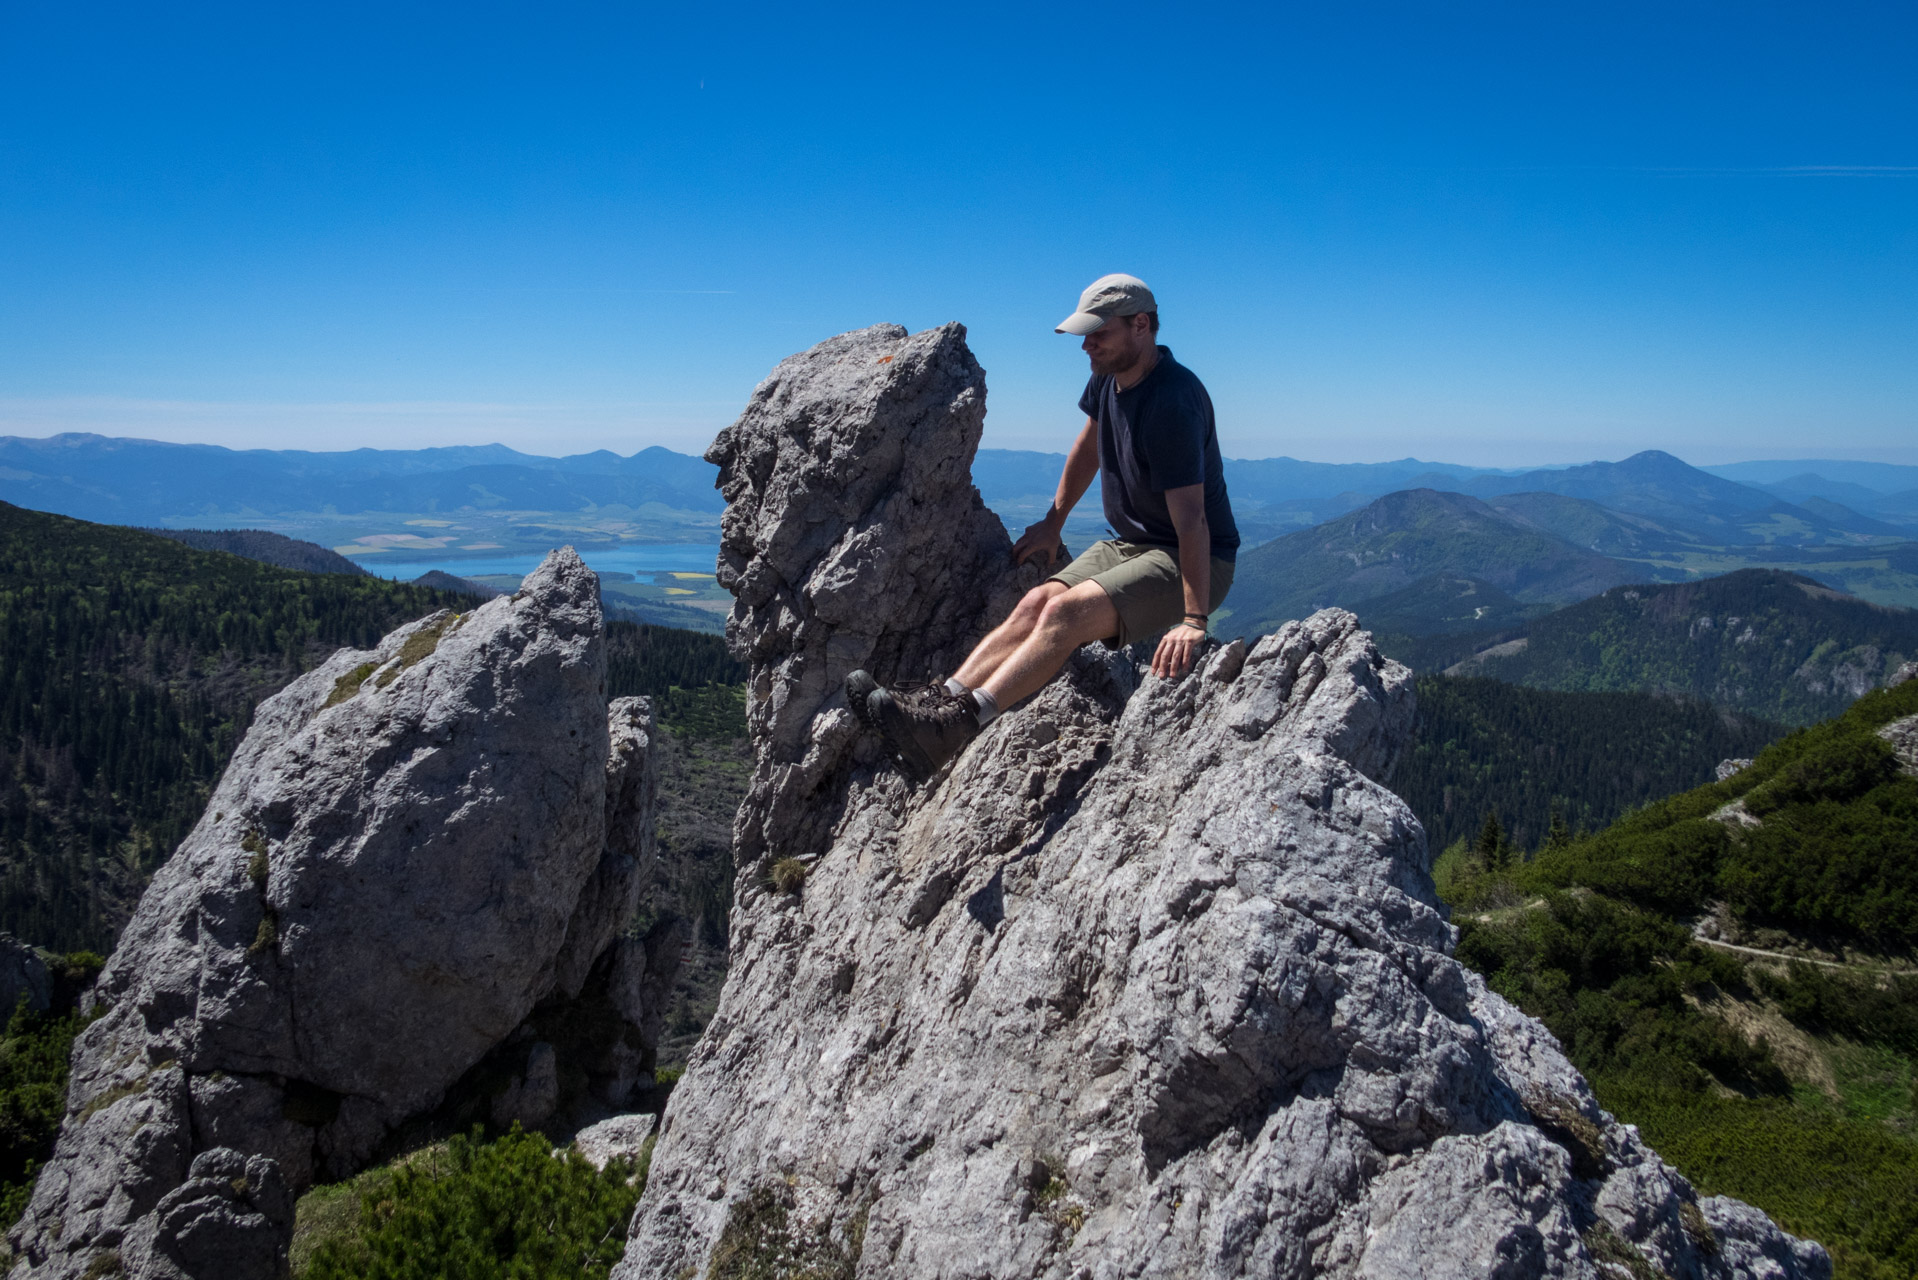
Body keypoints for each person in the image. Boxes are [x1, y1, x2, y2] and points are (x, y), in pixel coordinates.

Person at [850, 272, 1240, 781]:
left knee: (1066, 614)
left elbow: (1192, 520)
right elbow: (1088, 448)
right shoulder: (1108, 378)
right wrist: (1054, 523)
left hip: (1193, 559)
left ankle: (958, 727)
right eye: (1084, 335)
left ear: (1141, 325)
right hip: (1133, 543)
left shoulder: (1172, 401)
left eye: (1098, 333)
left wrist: (1192, 618)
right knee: (1036, 601)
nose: (1087, 346)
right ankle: (940, 702)